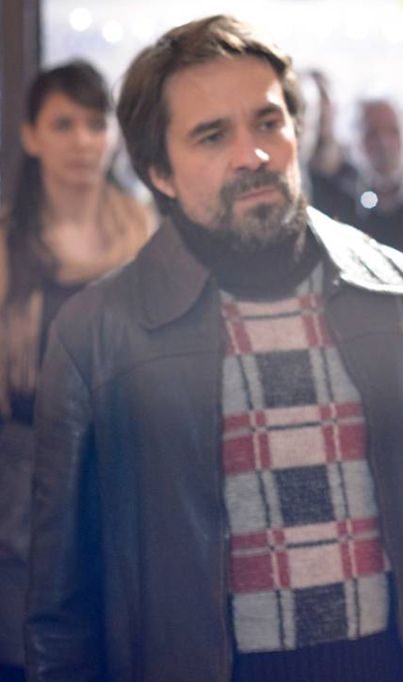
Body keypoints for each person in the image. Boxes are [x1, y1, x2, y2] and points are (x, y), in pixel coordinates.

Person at [23, 15, 403, 682]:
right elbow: (61, 609)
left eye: (268, 122)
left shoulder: (397, 292)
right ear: (159, 172)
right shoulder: (98, 333)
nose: (253, 155)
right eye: (212, 135)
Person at [0, 60, 152, 682]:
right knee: (29, 643)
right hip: (22, 475)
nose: (83, 141)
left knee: (124, 639)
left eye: (96, 124)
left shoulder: (143, 230)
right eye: (64, 125)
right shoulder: (6, 241)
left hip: (125, 464)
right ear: (31, 136)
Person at [308, 97, 403, 252]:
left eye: (393, 131)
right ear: (355, 141)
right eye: (372, 133)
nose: (384, 143)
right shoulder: (340, 200)